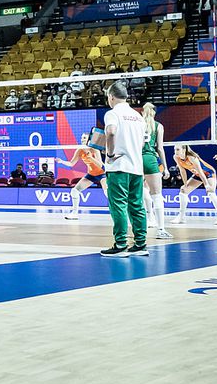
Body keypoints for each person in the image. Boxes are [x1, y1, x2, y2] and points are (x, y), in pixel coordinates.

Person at [100, 81, 148, 257]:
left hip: (119, 167)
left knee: (118, 205)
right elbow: (143, 142)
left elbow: (111, 132)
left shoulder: (112, 114)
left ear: (111, 97)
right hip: (137, 167)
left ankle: (120, 245)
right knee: (137, 205)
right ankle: (141, 244)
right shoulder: (138, 116)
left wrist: (110, 153)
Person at [170, 143, 217, 225]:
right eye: (175, 149)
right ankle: (181, 217)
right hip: (197, 174)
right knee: (183, 190)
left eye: (178, 149)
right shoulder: (176, 157)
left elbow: (201, 171)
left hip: (208, 173)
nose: (175, 151)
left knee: (210, 192)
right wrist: (185, 184)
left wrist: (206, 185)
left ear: (184, 150)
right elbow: (182, 171)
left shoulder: (191, 157)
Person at [60, 129, 108, 220]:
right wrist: (61, 161)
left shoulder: (94, 149)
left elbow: (102, 166)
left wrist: (91, 158)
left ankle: (119, 212)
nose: (82, 140)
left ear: (89, 139)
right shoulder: (80, 150)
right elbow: (71, 164)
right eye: (81, 138)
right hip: (91, 175)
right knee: (74, 191)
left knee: (107, 193)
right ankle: (74, 213)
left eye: (84, 138)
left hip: (102, 174)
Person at [139, 102, 170, 240]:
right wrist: (166, 167)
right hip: (150, 159)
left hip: (137, 159)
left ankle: (137, 228)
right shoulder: (159, 126)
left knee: (135, 195)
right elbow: (160, 148)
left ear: (142, 112)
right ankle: (161, 229)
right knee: (157, 195)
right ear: (154, 113)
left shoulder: (137, 124)